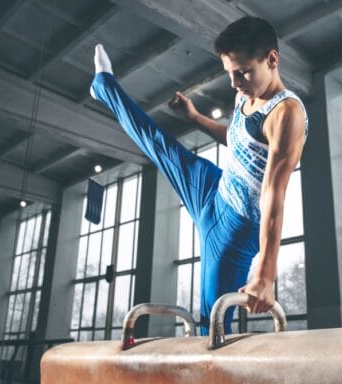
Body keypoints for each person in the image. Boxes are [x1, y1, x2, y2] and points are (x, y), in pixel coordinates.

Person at [89, 16, 308, 335]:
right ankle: (104, 85)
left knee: (212, 325)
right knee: (159, 144)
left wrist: (265, 273)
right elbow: (236, 138)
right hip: (212, 187)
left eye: (242, 72)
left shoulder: (286, 114)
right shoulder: (246, 92)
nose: (235, 83)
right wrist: (194, 118)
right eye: (230, 74)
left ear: (272, 59)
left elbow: (274, 194)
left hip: (234, 231)